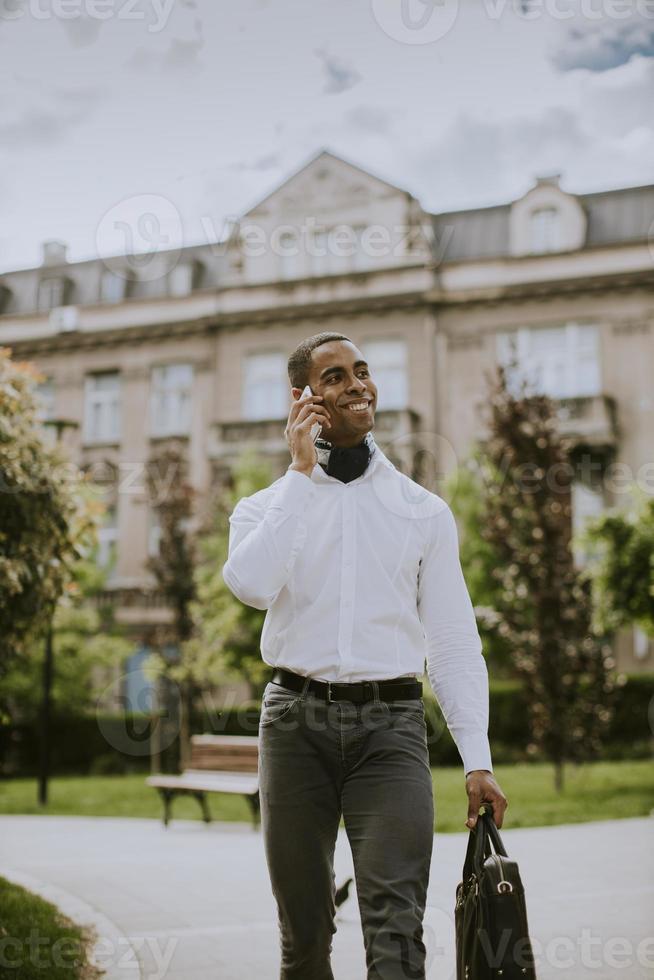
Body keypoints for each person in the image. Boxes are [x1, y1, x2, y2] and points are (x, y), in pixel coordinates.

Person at [222, 331, 508, 980]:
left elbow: (454, 640)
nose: (357, 385)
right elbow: (251, 586)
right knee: (304, 936)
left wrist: (477, 760)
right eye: (335, 376)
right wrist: (300, 473)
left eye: (362, 371)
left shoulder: (421, 512)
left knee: (396, 930)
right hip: (294, 728)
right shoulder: (265, 508)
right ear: (303, 399)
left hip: (392, 731)